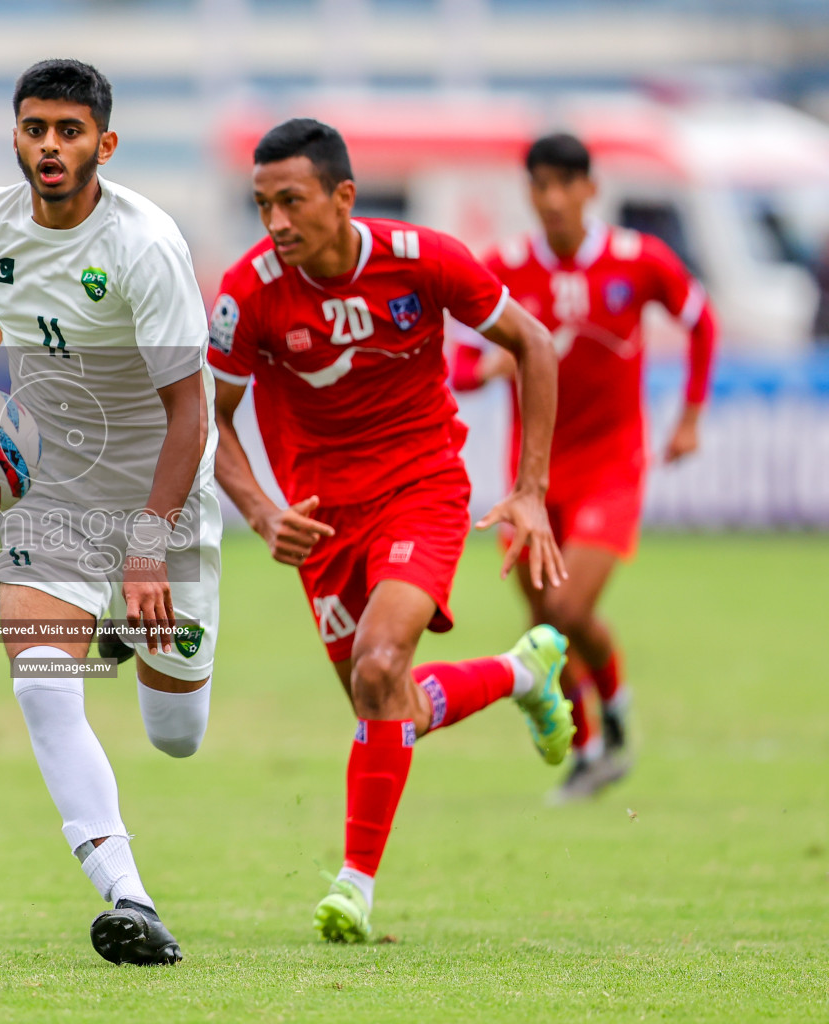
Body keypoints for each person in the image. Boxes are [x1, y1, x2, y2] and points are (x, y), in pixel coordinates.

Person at [209, 119, 574, 944]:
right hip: (319, 520)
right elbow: (211, 417)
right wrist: (262, 510)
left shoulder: (423, 258)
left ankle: (354, 887)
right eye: (263, 205)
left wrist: (530, 490)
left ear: (343, 198)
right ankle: (521, 673)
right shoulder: (248, 293)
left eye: (291, 202)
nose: (275, 224)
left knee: (380, 666)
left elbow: (534, 343)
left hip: (421, 489)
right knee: (387, 707)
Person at [0, 59, 218, 965]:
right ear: (15, 133)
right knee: (40, 684)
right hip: (52, 492)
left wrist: (145, 549)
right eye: (34, 129)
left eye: (67, 131)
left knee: (176, 734)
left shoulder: (146, 246)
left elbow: (193, 411)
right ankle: (128, 898)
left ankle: (129, 630)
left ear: (105, 141)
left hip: (158, 497)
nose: (49, 147)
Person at [450, 132, 715, 801]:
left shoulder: (638, 260)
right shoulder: (505, 267)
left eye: (567, 184)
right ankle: (594, 745)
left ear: (591, 189)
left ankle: (611, 719)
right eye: (541, 186)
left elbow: (700, 321)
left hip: (611, 464)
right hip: (532, 478)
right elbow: (456, 359)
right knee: (550, 621)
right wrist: (486, 367)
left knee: (565, 608)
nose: (554, 199)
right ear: (530, 193)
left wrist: (688, 417)